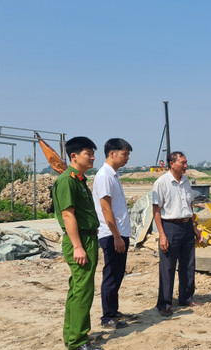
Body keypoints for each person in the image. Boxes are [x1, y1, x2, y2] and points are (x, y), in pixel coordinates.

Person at [53, 137, 102, 350]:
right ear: (74, 156)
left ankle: (71, 334)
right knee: (83, 290)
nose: (92, 157)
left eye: (92, 153)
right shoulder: (67, 181)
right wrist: (78, 246)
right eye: (88, 153)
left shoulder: (78, 179)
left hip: (87, 237)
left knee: (77, 289)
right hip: (80, 239)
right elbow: (67, 215)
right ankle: (78, 341)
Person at [152, 151, 203, 317]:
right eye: (183, 162)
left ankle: (186, 297)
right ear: (172, 163)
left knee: (188, 264)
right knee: (167, 267)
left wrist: (194, 228)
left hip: (187, 226)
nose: (186, 166)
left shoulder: (187, 181)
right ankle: (165, 303)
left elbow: (189, 207)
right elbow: (157, 210)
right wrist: (162, 234)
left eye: (186, 162)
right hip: (170, 227)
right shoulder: (162, 183)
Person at [92, 138, 136, 329]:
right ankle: (107, 317)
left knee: (117, 274)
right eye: (124, 154)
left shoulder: (113, 175)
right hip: (111, 234)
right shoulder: (104, 176)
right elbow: (105, 208)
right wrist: (116, 236)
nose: (127, 158)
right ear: (112, 153)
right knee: (111, 274)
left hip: (119, 233)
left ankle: (113, 310)